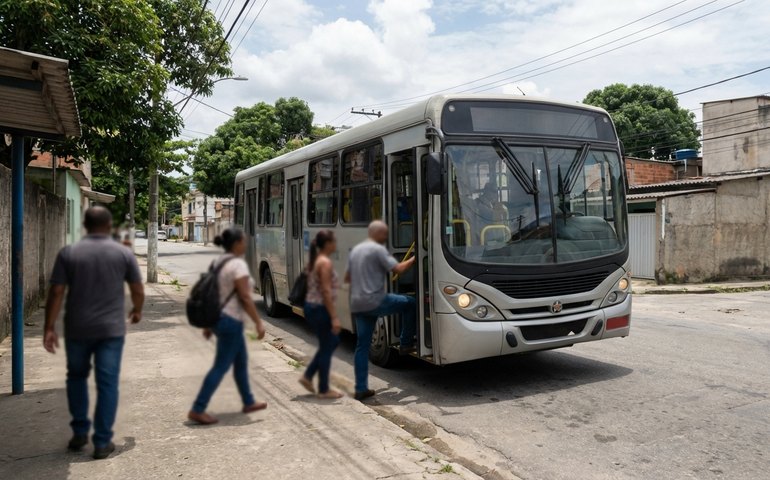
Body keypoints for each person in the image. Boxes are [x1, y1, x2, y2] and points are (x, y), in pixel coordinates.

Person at [44, 206, 145, 460]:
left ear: (85, 226)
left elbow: (56, 292)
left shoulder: (69, 253)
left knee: (76, 377)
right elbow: (137, 289)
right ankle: (101, 442)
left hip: (77, 329)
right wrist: (137, 310)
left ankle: (79, 432)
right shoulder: (123, 253)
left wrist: (48, 327)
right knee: (107, 383)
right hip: (110, 330)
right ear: (109, 226)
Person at [188, 227, 268, 425]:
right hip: (230, 321)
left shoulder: (219, 262)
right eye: (243, 241)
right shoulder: (237, 266)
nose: (246, 244)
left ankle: (248, 401)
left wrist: (209, 324)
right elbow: (245, 298)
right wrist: (258, 322)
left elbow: (213, 294)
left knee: (240, 362)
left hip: (220, 319)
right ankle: (198, 408)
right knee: (221, 366)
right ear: (237, 243)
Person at [346, 220, 416, 401]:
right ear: (377, 234)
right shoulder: (378, 250)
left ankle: (361, 388)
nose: (386, 236)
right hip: (376, 300)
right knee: (410, 303)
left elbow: (348, 277)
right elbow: (399, 269)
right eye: (384, 233)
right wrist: (417, 256)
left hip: (358, 302)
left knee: (362, 346)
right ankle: (406, 342)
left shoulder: (356, 251)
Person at [298, 230, 343, 399]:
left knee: (329, 343)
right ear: (328, 244)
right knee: (329, 343)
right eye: (334, 241)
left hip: (314, 307)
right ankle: (323, 389)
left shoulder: (318, 260)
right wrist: (334, 317)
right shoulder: (324, 263)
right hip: (319, 308)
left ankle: (308, 376)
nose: (336, 244)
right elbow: (325, 291)